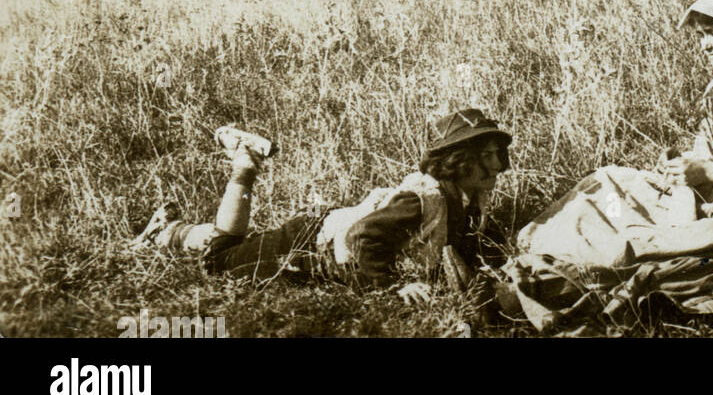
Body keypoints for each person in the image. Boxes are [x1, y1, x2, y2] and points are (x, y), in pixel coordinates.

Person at [498, 0, 713, 331]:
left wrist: (707, 170)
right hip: (711, 195)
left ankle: (536, 279)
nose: (703, 45)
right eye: (700, 35)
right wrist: (684, 164)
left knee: (631, 247)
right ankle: (532, 253)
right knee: (607, 180)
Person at [134, 110, 512, 303]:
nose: (497, 165)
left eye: (499, 155)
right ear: (458, 161)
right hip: (305, 245)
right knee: (218, 262)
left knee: (229, 248)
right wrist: (395, 286)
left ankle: (166, 230)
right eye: (487, 156)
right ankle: (244, 162)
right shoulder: (422, 199)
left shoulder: (465, 199)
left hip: (320, 236)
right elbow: (366, 237)